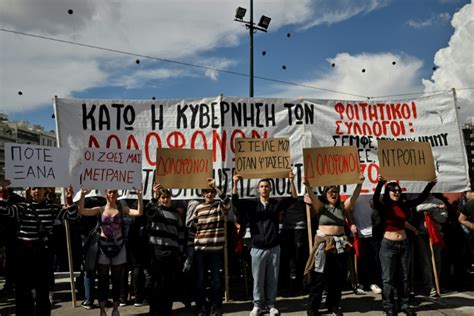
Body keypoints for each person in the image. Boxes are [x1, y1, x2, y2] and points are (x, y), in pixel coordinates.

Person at [0, 183, 78, 316]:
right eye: (34, 188)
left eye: (39, 188)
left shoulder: (52, 208)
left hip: (42, 253)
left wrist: (70, 199)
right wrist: (3, 193)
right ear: (29, 191)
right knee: (23, 291)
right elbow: (4, 211)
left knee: (43, 291)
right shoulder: (22, 207)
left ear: (45, 190)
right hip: (24, 253)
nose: (37, 191)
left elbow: (71, 215)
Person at [232, 172, 297, 316]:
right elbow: (235, 202)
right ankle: (257, 305)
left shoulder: (275, 203)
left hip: (274, 247)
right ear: (258, 190)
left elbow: (293, 198)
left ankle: (271, 304)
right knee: (257, 279)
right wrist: (235, 183)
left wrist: (292, 181)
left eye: (267, 186)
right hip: (257, 248)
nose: (264, 189)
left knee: (272, 278)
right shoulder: (252, 204)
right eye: (261, 186)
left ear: (270, 189)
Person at [372, 176, 436, 316]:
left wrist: (430, 185)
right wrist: (380, 184)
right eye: (393, 190)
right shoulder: (383, 207)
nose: (396, 192)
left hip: (404, 244)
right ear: (387, 192)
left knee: (404, 277)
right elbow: (376, 199)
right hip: (388, 245)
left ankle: (404, 304)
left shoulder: (403, 205)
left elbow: (420, 199)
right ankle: (389, 306)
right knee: (388, 278)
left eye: (398, 190)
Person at [303, 175, 364, 316]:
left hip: (340, 246)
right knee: (319, 278)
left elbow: (354, 198)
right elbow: (312, 196)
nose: (333, 194)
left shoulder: (342, 207)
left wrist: (359, 184)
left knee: (337, 278)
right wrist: (307, 185)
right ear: (325, 194)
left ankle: (333, 305)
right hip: (323, 246)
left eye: (335, 192)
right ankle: (312, 309)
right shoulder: (321, 207)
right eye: (330, 192)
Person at [78, 187, 144, 316]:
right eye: (110, 192)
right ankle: (102, 310)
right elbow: (82, 211)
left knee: (116, 279)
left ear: (118, 193)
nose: (112, 194)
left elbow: (139, 212)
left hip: (119, 246)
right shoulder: (100, 209)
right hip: (103, 246)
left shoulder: (121, 208)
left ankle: (115, 309)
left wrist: (139, 197)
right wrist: (82, 196)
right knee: (102, 280)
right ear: (106, 194)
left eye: (114, 192)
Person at [191, 178, 231, 316]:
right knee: (200, 280)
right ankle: (201, 308)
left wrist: (216, 187)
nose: (209, 194)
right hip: (200, 250)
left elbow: (228, 202)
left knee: (216, 281)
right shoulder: (198, 208)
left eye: (211, 192)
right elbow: (193, 229)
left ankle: (216, 308)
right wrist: (192, 246)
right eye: (206, 192)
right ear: (202, 194)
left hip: (216, 249)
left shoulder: (220, 205)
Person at [145, 183, 184, 316]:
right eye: (163, 197)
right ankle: (154, 310)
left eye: (167, 197)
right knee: (156, 284)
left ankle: (166, 310)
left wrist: (180, 251)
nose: (165, 199)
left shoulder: (176, 214)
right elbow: (148, 210)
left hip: (172, 253)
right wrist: (154, 196)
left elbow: (180, 233)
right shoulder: (156, 211)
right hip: (157, 252)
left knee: (169, 284)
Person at [415, 194, 448, 297]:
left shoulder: (439, 201)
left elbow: (443, 218)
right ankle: (429, 286)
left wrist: (432, 214)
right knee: (426, 261)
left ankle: (436, 282)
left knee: (437, 260)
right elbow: (418, 208)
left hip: (436, 234)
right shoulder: (419, 200)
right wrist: (433, 207)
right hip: (423, 234)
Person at [351, 195, 382, 294]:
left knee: (375, 258)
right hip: (359, 231)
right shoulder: (353, 192)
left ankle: (374, 282)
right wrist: (351, 223)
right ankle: (361, 282)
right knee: (362, 258)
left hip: (374, 230)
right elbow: (346, 209)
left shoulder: (376, 191)